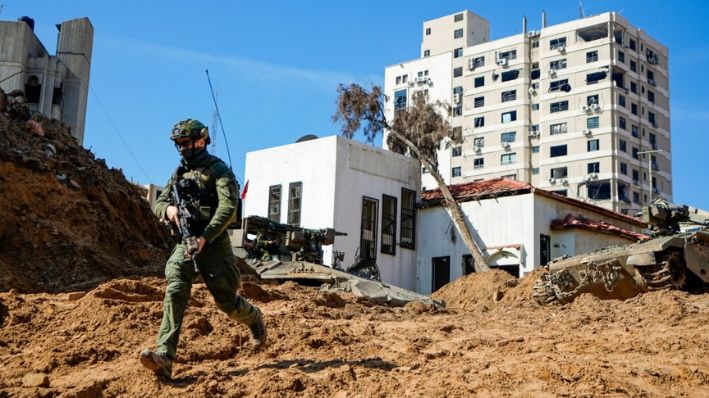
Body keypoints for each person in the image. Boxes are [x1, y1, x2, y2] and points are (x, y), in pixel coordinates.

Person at [140, 119, 266, 378]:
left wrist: (205, 237)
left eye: (185, 143)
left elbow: (228, 209)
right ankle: (165, 357)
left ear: (201, 141)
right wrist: (169, 210)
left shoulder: (218, 171)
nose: (182, 149)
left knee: (227, 303)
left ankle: (253, 318)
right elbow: (159, 202)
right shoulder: (178, 174)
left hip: (214, 243)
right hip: (186, 241)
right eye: (178, 145)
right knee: (175, 287)